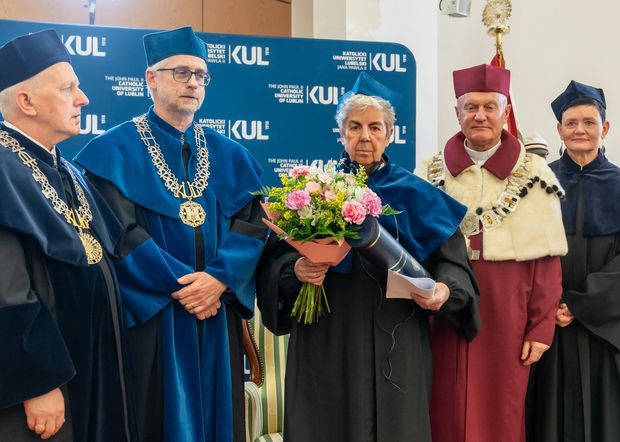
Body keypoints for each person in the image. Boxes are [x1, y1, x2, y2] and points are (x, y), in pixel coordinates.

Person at [256, 72, 480, 442]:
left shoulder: (418, 195)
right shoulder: (310, 192)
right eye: (354, 127)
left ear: (390, 134)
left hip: (400, 334)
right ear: (340, 133)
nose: (365, 137)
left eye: (375, 127)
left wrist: (444, 291)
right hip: (327, 335)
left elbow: (454, 266)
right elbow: (272, 264)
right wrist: (296, 269)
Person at [74, 26, 267, 442]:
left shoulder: (230, 155)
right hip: (155, 318)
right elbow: (120, 234)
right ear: (151, 79)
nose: (193, 82)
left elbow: (251, 223)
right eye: (181, 72)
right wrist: (186, 289)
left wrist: (218, 280)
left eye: (201, 75)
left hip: (217, 312)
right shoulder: (114, 151)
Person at [422, 64, 568, 442]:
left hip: (509, 310)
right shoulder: (429, 172)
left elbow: (547, 263)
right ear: (457, 113)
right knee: (443, 404)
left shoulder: (536, 175)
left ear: (506, 112)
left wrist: (541, 326)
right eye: (471, 107)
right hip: (445, 305)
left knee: (502, 409)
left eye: (490, 106)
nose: (480, 115)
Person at [0, 30, 131, 441]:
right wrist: (38, 381)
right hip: (40, 386)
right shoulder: (3, 169)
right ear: (26, 102)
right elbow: (7, 290)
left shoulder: (68, 170)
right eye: (68, 88)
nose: (83, 98)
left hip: (89, 372)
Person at [525, 80, 620, 442]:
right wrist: (547, 304)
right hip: (551, 329)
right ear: (559, 130)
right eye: (571, 123)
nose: (580, 130)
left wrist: (579, 303)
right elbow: (525, 252)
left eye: (589, 122)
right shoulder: (538, 185)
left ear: (605, 128)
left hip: (609, 334)